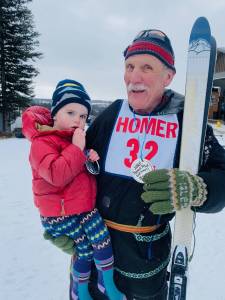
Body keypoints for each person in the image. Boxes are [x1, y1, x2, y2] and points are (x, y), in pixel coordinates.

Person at [41, 31, 225, 300]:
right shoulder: (113, 113)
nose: (134, 77)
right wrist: (56, 217)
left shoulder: (189, 124)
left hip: (144, 266)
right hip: (91, 254)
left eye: (147, 67)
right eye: (129, 66)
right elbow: (66, 167)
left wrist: (198, 190)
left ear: (168, 76)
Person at [22, 79, 126, 300]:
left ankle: (106, 284)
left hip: (81, 208)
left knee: (102, 240)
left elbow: (81, 175)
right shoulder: (41, 144)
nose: (78, 120)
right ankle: (78, 290)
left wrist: (90, 161)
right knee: (85, 250)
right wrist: (78, 149)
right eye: (70, 112)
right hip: (58, 215)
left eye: (82, 116)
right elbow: (58, 176)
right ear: (55, 114)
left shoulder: (74, 141)